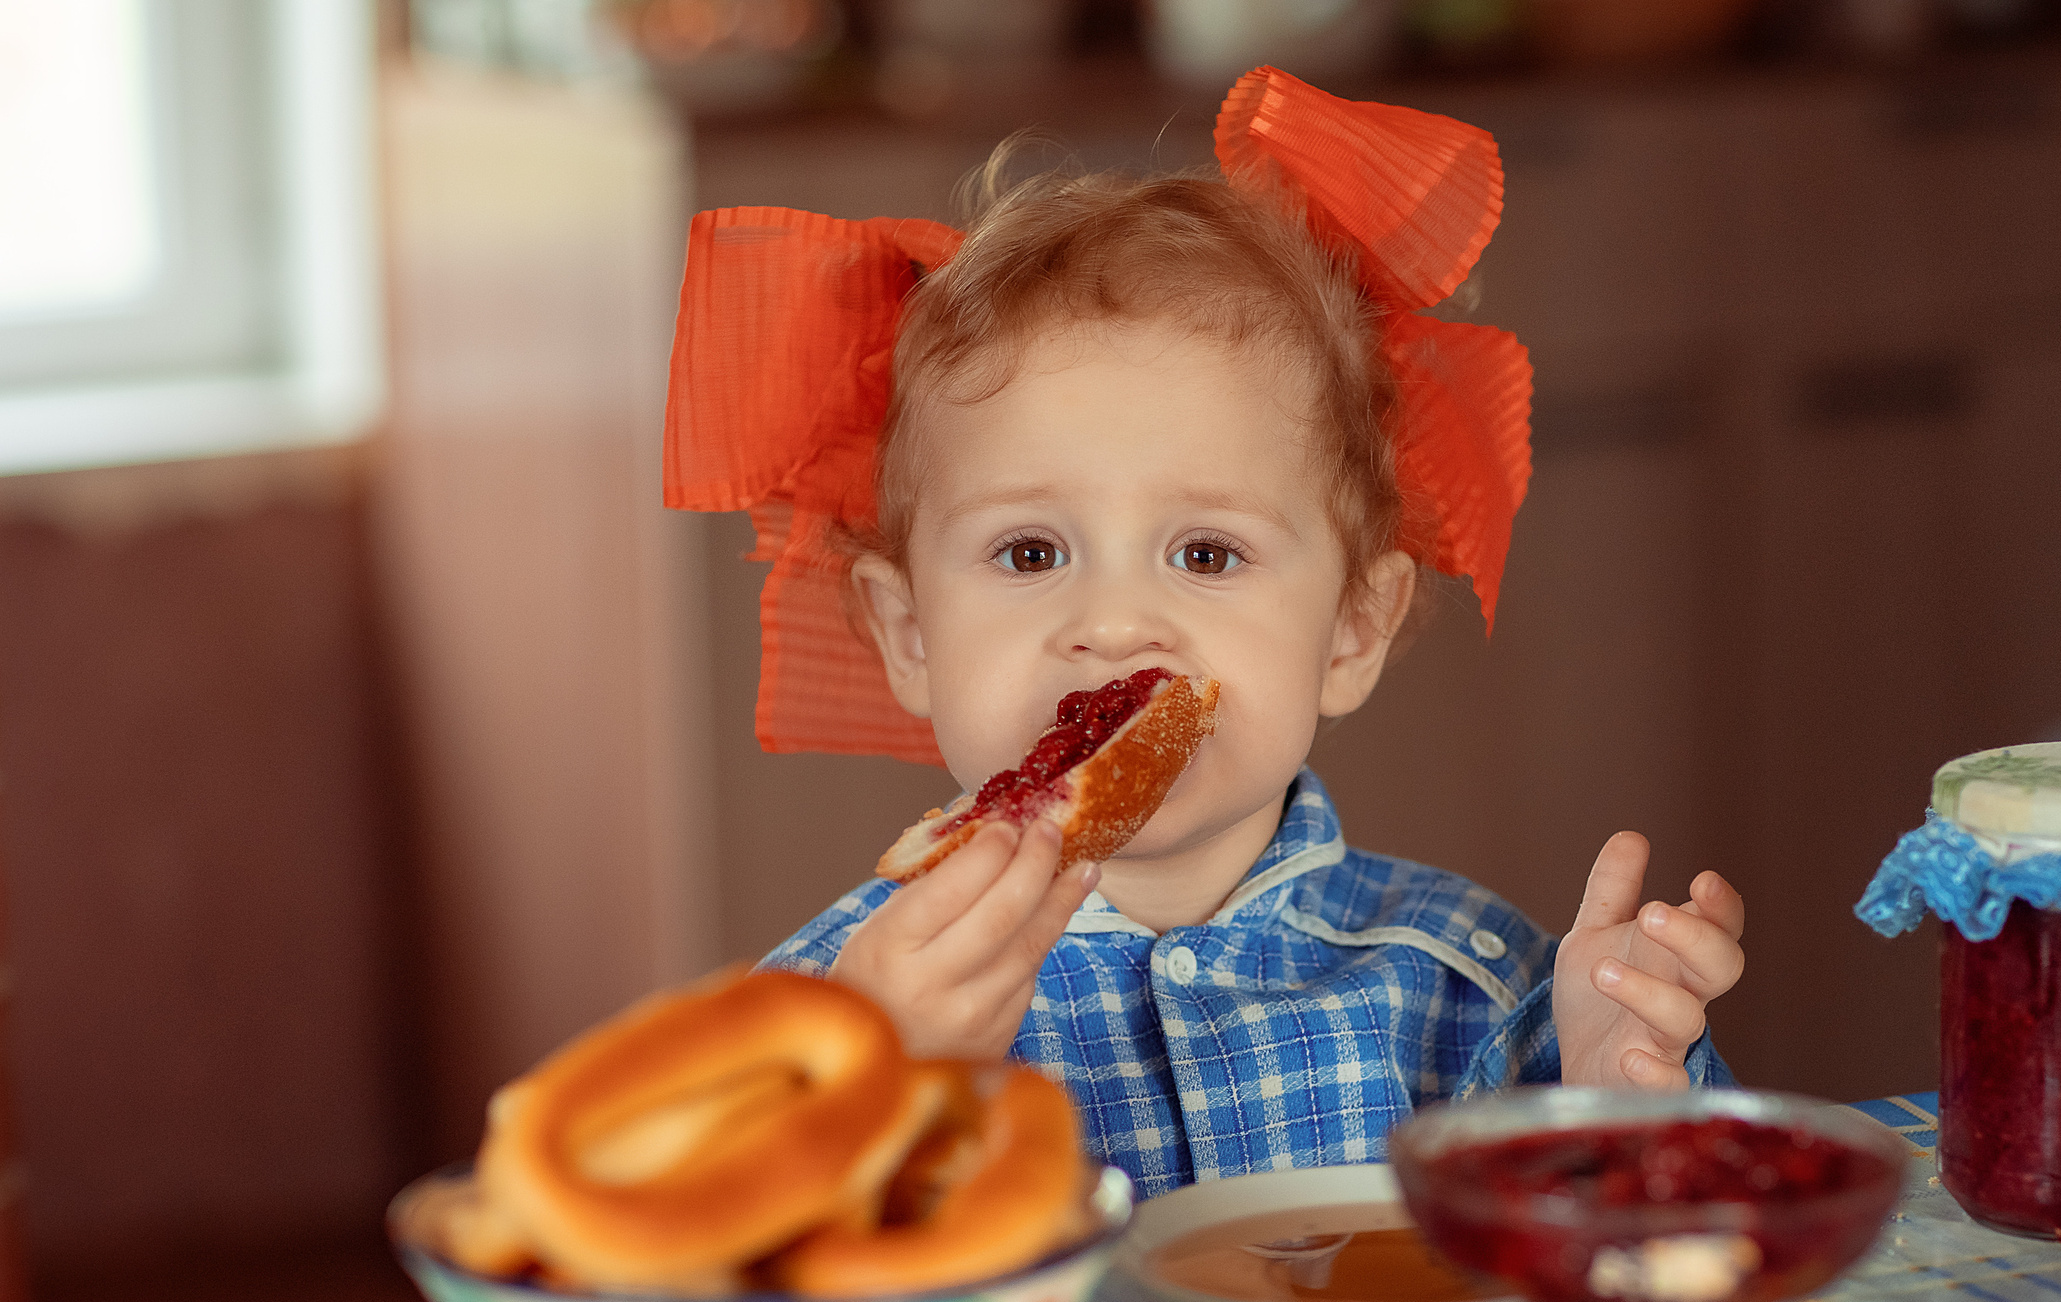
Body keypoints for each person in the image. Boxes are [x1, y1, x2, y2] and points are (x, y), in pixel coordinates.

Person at [664, 68, 1743, 1198]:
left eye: (1206, 554)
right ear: (909, 634)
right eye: (1031, 553)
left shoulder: (1476, 984)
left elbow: (1645, 1272)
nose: (1118, 624)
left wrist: (1618, 1088)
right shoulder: (838, 1010)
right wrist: (876, 1102)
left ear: (1349, 633)